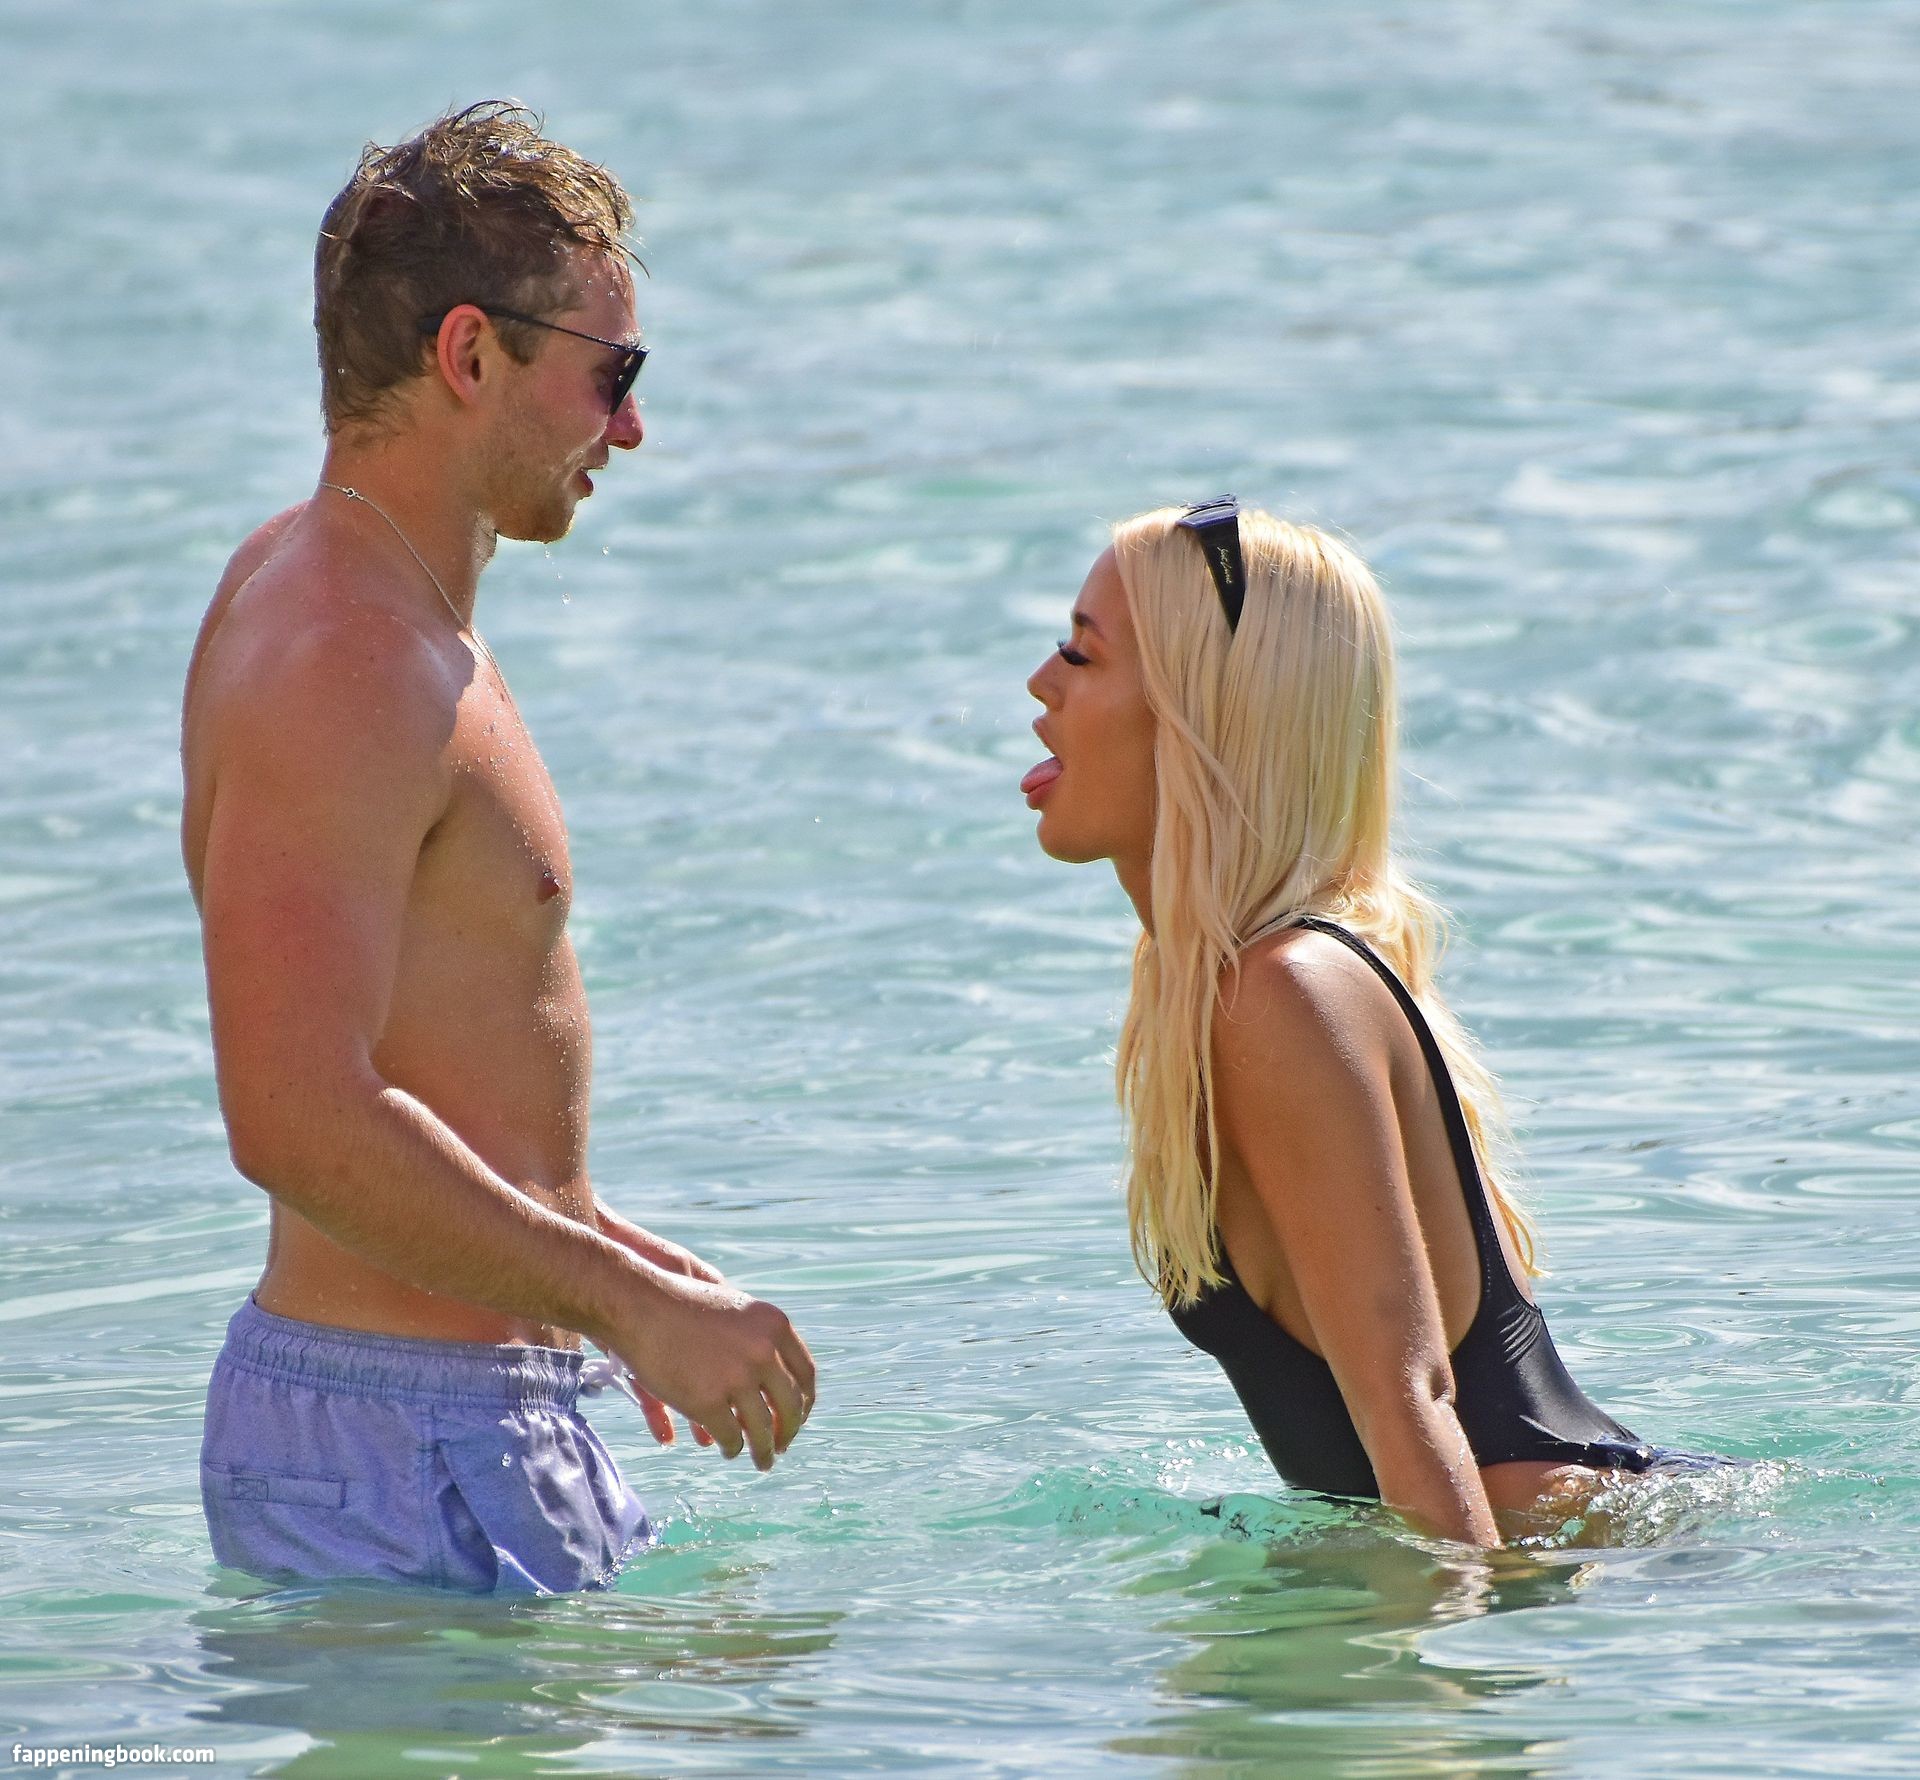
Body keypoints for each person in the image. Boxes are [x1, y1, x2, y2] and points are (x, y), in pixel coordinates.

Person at [181, 102, 815, 1594]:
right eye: (613, 373)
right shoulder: (343, 654)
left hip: (447, 1429)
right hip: (401, 1450)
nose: (632, 427)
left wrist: (610, 1264)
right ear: (470, 355)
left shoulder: (370, 607)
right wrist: (622, 1305)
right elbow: (293, 1115)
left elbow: (431, 1051)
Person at [1021, 497, 1726, 1548]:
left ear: (1202, 718)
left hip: (1624, 1572)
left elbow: (1412, 1408)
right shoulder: (1221, 987)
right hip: (1591, 1560)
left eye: (1082, 655)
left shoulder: (1282, 993)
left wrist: (1441, 1650)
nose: (1042, 682)